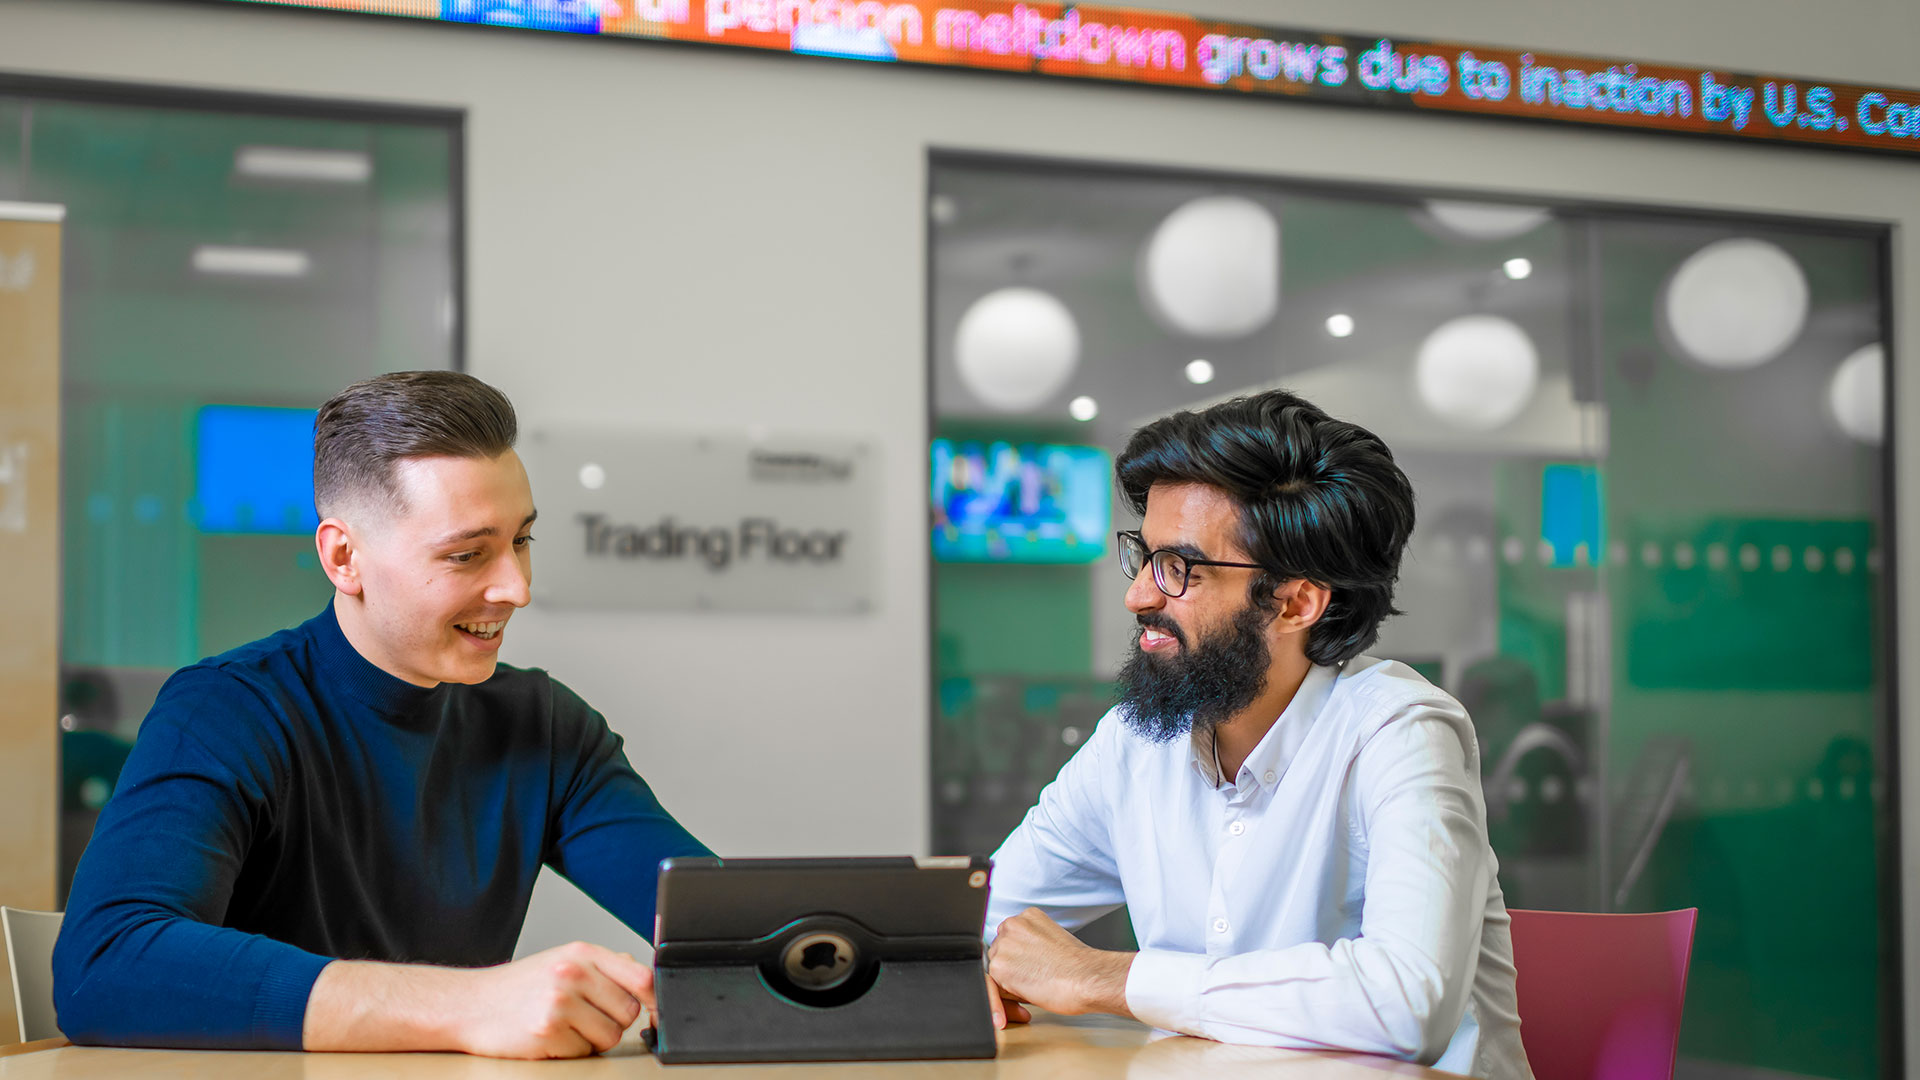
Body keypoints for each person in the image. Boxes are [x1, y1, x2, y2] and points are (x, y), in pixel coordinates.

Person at [53, 371, 710, 1059]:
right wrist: (469, 1005)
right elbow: (105, 965)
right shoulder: (225, 711)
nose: (516, 587)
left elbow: (730, 934)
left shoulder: (545, 728)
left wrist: (751, 973)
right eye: (467, 554)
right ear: (345, 558)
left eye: (522, 541)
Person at [980, 389, 1532, 1080]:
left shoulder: (1398, 731)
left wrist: (1107, 979)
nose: (1139, 596)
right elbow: (983, 924)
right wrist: (982, 963)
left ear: (1296, 601)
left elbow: (1404, 1003)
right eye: (1143, 556)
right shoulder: (1135, 741)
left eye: (1178, 568)